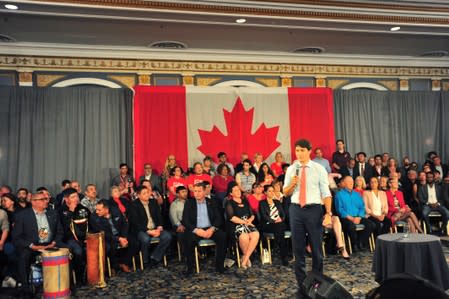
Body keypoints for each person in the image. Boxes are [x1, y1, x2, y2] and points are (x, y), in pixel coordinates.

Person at [283, 139, 332, 297]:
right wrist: (292, 183)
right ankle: (303, 286)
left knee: (316, 249)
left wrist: (328, 213)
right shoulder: (292, 169)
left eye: (302, 150)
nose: (299, 154)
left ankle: (317, 284)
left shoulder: (319, 168)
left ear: (309, 151)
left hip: (314, 210)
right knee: (298, 250)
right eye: (297, 151)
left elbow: (326, 193)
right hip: (296, 209)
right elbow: (286, 192)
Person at [12, 192, 64, 286]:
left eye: (46, 199)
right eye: (42, 199)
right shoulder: (22, 215)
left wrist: (54, 242)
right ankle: (25, 287)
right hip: (32, 245)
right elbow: (16, 238)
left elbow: (60, 232)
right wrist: (32, 246)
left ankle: (64, 284)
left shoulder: (53, 213)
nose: (46, 201)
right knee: (24, 257)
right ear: (33, 202)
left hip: (50, 244)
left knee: (69, 251)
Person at [181, 183, 226, 276]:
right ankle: (190, 267)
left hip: (210, 228)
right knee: (187, 238)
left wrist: (212, 229)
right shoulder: (189, 203)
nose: (196, 193)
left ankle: (220, 265)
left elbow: (219, 218)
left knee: (223, 236)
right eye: (195, 191)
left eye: (199, 191)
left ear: (205, 191)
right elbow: (185, 220)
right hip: (196, 229)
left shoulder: (212, 202)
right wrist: (197, 230)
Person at [127, 186, 172, 267]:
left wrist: (159, 227)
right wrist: (148, 231)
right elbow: (135, 222)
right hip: (142, 230)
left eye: (148, 192)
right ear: (139, 195)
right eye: (144, 193)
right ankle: (145, 260)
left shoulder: (153, 202)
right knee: (145, 239)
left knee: (167, 236)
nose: (147, 195)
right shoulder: (134, 205)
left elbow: (159, 216)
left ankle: (155, 257)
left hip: (155, 228)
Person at [90, 199, 138, 273]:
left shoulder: (115, 211)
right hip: (107, 237)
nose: (97, 212)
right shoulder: (94, 218)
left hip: (120, 234)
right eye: (96, 209)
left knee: (134, 242)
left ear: (106, 209)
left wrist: (124, 237)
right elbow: (103, 234)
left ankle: (124, 263)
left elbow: (124, 224)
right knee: (111, 246)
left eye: (99, 210)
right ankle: (113, 266)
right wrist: (119, 239)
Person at [334, 176, 375, 252]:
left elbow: (362, 207)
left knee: (371, 224)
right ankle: (354, 244)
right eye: (349, 182)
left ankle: (361, 242)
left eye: (352, 181)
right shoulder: (339, 195)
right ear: (344, 183)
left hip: (358, 216)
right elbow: (340, 210)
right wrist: (352, 218)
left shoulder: (357, 194)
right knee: (351, 226)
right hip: (346, 218)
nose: (351, 183)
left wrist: (359, 217)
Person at [225, 182, 259, 269]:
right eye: (235, 190)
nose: (238, 192)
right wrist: (245, 222)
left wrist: (250, 220)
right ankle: (246, 259)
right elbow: (232, 218)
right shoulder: (229, 203)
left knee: (256, 234)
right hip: (236, 225)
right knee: (244, 237)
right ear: (231, 193)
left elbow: (252, 214)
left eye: (238, 190)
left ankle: (245, 258)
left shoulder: (245, 201)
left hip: (248, 223)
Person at [60, 188, 90, 283]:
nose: (76, 199)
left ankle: (94, 274)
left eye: (77, 196)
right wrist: (71, 213)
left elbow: (91, 224)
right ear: (66, 199)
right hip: (70, 239)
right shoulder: (61, 211)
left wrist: (91, 237)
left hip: (85, 237)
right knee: (78, 251)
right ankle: (78, 276)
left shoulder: (83, 209)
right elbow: (64, 229)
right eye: (73, 197)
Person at [259, 185, 289, 266]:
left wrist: (281, 219)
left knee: (280, 226)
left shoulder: (277, 202)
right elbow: (264, 216)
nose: (272, 192)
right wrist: (274, 221)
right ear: (265, 193)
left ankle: (277, 246)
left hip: (279, 223)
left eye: (273, 191)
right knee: (280, 228)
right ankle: (283, 256)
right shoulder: (262, 203)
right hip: (268, 224)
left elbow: (283, 214)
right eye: (269, 191)